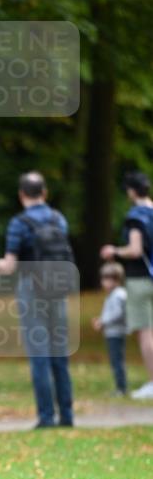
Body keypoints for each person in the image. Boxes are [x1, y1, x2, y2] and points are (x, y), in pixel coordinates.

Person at [0, 171, 74, 428]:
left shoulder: (19, 223)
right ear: (45, 193)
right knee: (60, 353)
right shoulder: (58, 219)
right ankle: (68, 416)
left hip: (32, 288)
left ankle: (46, 417)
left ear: (21, 195)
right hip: (58, 289)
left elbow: (10, 263)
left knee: (39, 353)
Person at [100, 171, 153, 399]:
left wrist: (114, 251)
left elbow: (135, 249)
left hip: (141, 279)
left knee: (146, 333)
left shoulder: (136, 216)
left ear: (131, 191)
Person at [92, 261, 127, 396]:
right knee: (115, 360)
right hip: (111, 332)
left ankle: (121, 388)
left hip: (116, 333)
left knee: (117, 361)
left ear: (116, 280)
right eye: (103, 279)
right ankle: (120, 386)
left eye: (107, 279)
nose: (104, 282)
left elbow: (117, 313)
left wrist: (103, 321)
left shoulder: (118, 295)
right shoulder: (114, 295)